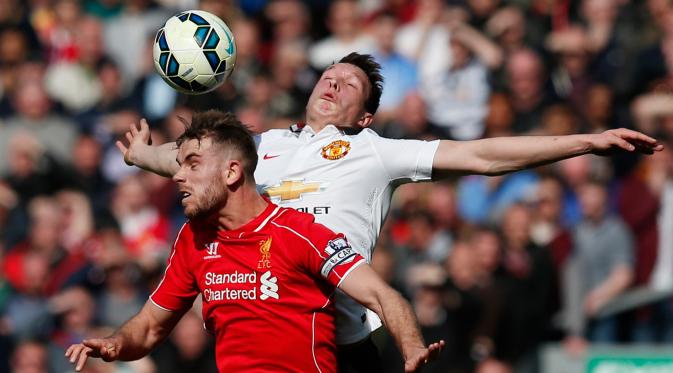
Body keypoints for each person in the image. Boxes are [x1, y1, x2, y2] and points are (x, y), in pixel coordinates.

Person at [117, 53, 662, 372]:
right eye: (329, 75)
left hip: (349, 337)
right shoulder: (265, 144)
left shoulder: (375, 150)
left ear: (367, 114)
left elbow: (482, 155)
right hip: (277, 329)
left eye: (349, 83)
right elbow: (197, 164)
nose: (333, 82)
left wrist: (586, 142)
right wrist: (143, 156)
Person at [66, 110, 444, 372]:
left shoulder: (298, 231)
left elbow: (381, 294)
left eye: (193, 164)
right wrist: (116, 343)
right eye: (179, 165)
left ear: (232, 171)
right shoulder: (193, 240)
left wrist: (410, 346)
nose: (179, 177)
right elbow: (149, 327)